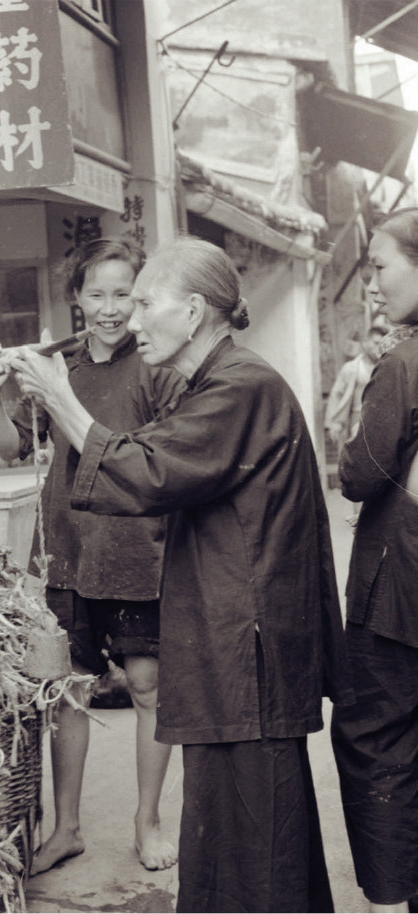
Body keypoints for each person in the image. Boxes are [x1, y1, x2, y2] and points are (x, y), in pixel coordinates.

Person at [4, 237, 352, 913]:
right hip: (228, 644)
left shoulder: (242, 388)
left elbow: (148, 469)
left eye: (143, 302)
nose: (130, 320)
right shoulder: (213, 383)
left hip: (245, 652)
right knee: (233, 830)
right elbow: (148, 447)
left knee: (257, 831)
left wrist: (57, 393)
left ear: (193, 313)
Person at [0, 237, 183, 874]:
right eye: (97, 294)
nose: (111, 308)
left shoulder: (156, 366)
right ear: (76, 300)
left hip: (140, 550)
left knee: (148, 687)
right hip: (68, 551)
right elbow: (10, 449)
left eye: (124, 293)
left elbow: (161, 465)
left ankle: (146, 822)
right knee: (69, 692)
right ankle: (66, 828)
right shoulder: (57, 364)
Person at [330, 207, 418, 913]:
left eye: (383, 267)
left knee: (376, 736)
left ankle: (392, 896)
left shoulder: (400, 363)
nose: (373, 286)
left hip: (399, 589)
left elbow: (360, 474)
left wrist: (346, 450)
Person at [324, 326, 384, 451]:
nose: (379, 348)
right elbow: (337, 394)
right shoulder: (351, 368)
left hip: (380, 419)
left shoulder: (386, 367)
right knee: (355, 453)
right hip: (356, 418)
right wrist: (334, 423)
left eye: (382, 344)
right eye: (376, 343)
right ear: (365, 342)